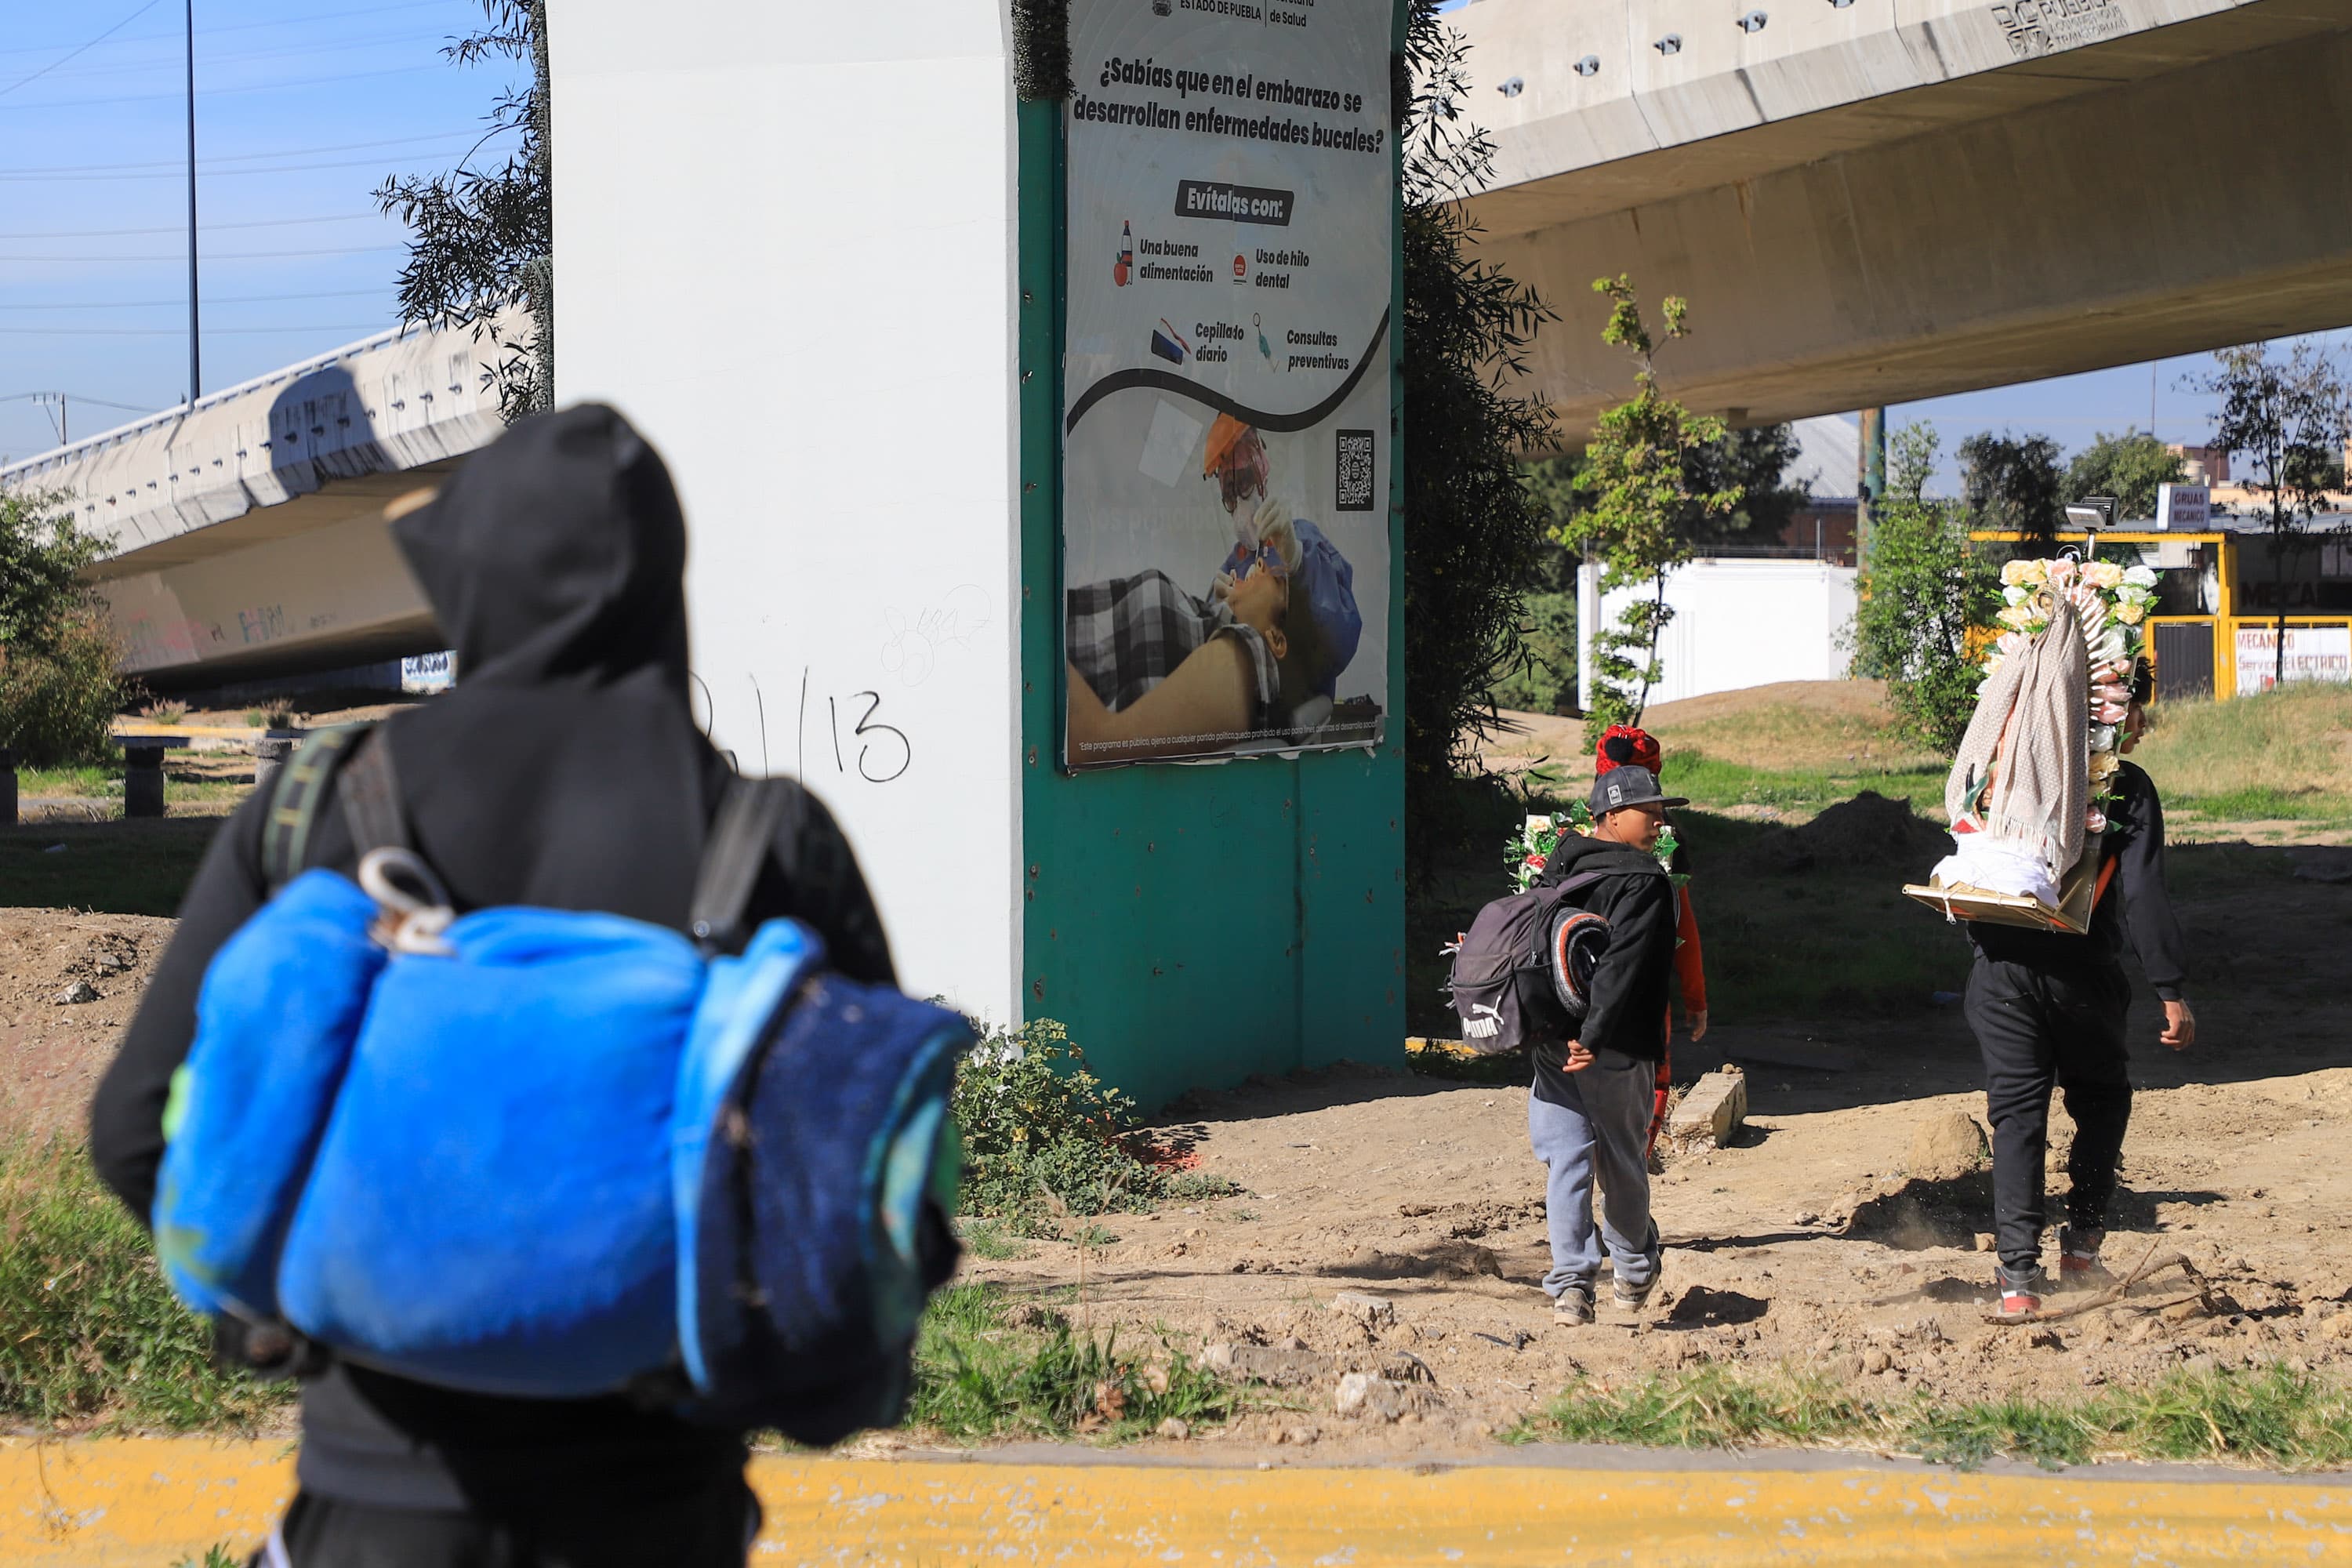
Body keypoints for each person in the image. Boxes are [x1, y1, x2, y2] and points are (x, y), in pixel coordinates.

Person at [89, 406, 896, 1567]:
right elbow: (870, 1186)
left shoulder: (322, 809)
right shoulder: (768, 840)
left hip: (372, 1505)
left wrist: (295, 1318)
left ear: (471, 586)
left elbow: (130, 1132)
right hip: (663, 1510)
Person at [1963, 666, 2193, 1319]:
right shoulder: (2126, 788)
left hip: (2000, 970)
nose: (2142, 723)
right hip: (2082, 978)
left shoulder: (2002, 767)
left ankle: (2017, 1284)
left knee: (2016, 1118)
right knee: (2101, 1101)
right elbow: (2145, 895)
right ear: (2117, 715)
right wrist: (2171, 989)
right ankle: (2083, 1245)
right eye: (2137, 710)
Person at [1064, 416, 1361, 761]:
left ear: (1262, 469)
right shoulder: (1234, 563)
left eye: (1243, 480)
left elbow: (1338, 640)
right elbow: (1201, 635)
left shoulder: (1301, 542)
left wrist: (1299, 565)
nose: (1236, 496)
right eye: (1228, 491)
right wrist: (1218, 607)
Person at [1527, 765, 1687, 1327]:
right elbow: (1623, 965)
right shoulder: (1643, 880)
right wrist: (1594, 1037)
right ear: (1614, 815)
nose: (1661, 823)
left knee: (1567, 1161)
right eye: (1652, 812)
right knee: (1620, 1158)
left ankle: (1571, 1287)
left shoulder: (1555, 864)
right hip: (1612, 1044)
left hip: (1551, 1039)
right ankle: (1635, 1270)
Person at [1591, 725, 1709, 1156]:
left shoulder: (1563, 839)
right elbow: (1684, 928)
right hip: (1641, 992)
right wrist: (1695, 999)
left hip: (1572, 989)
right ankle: (1631, 1178)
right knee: (1650, 1081)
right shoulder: (1662, 846)